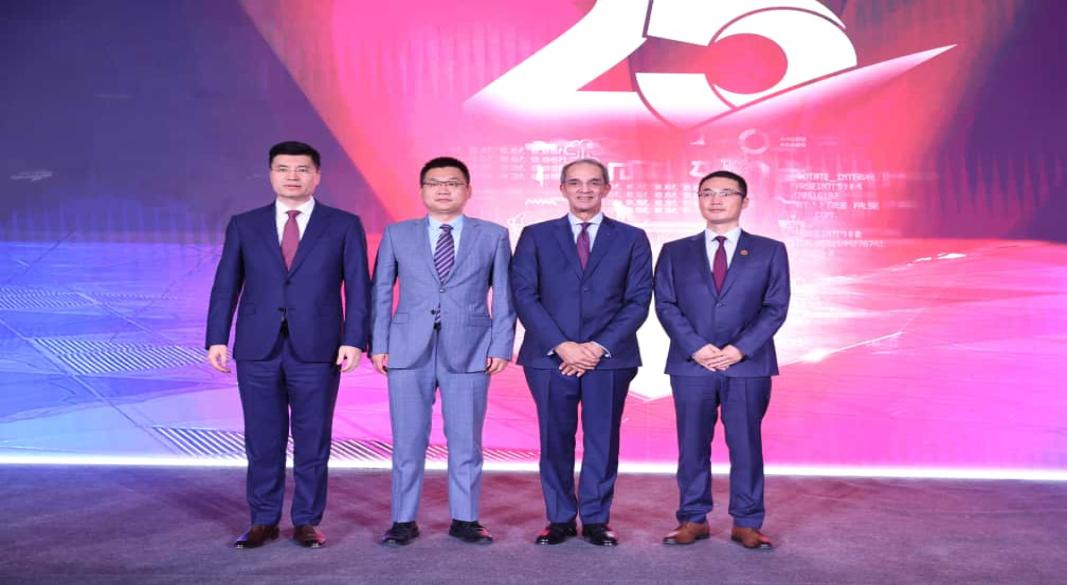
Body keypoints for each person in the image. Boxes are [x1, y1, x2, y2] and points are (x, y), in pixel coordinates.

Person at [205, 141, 371, 549]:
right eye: (283, 169)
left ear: (317, 176)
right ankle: (263, 519)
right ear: (271, 174)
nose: (292, 176)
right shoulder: (245, 224)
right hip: (257, 347)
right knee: (263, 439)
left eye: (301, 169)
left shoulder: (343, 224)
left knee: (313, 439)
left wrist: (354, 339)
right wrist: (216, 337)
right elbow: (226, 284)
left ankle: (307, 521)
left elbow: (358, 288)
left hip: (319, 347)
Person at [370, 157, 515, 546]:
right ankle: (403, 520)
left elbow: (505, 294)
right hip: (406, 349)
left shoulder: (493, 235)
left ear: (468, 190)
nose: (444, 189)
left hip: (471, 349)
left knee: (466, 440)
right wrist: (379, 344)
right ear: (422, 191)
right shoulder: (398, 234)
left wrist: (501, 344)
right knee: (407, 440)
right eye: (435, 183)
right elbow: (380, 291)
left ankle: (465, 519)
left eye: (453, 183)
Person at [510, 159, 653, 547]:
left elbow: (638, 300)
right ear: (562, 189)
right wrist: (563, 346)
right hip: (548, 357)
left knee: (602, 440)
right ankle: (558, 518)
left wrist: (595, 347)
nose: (584, 189)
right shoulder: (536, 235)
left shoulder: (632, 238)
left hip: (609, 358)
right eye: (575, 183)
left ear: (606, 188)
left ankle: (595, 519)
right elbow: (524, 294)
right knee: (554, 437)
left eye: (593, 183)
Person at [653, 170, 790, 549]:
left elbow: (775, 307)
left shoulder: (770, 250)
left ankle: (747, 521)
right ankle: (692, 518)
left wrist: (739, 349)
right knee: (692, 444)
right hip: (691, 363)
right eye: (707, 193)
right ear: (699, 199)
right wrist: (695, 346)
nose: (716, 200)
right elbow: (665, 304)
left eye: (726, 193)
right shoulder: (675, 251)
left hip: (747, 364)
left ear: (744, 201)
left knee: (746, 444)